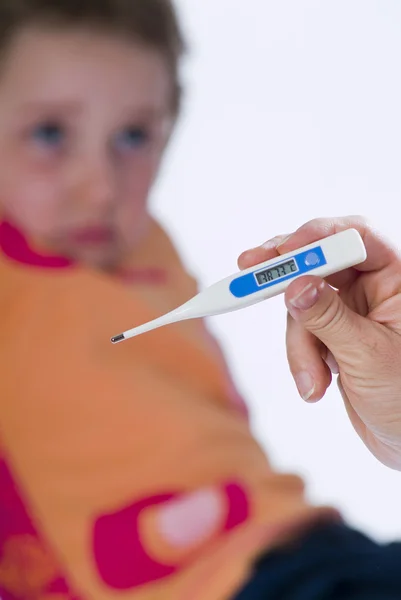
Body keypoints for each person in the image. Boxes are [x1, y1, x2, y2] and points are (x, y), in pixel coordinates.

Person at [0, 2, 400, 599]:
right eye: (50, 133)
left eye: (134, 136)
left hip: (307, 547)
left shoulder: (149, 253)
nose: (102, 186)